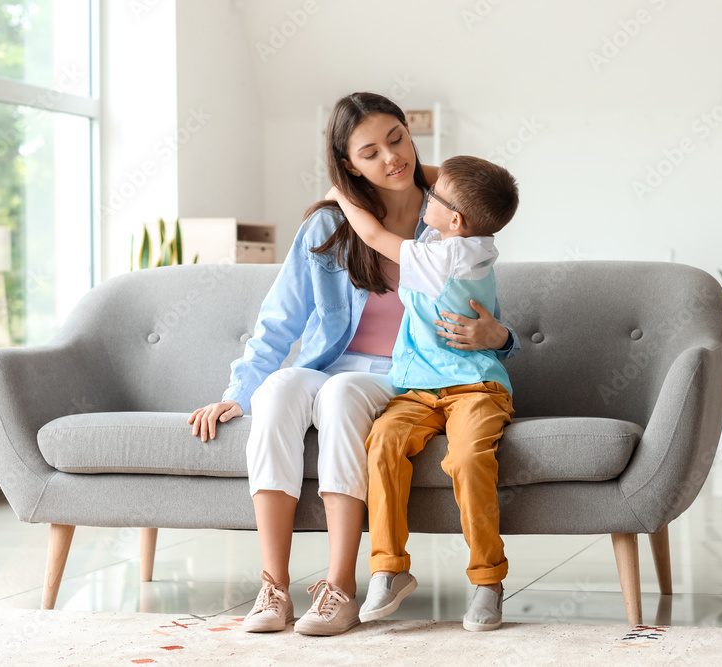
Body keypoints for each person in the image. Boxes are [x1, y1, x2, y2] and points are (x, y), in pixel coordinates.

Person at [186, 92, 521, 637]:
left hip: (404, 376)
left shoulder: (448, 225)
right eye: (369, 152)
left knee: (340, 397)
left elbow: (480, 309)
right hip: (335, 362)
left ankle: (340, 586)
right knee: (277, 390)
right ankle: (273, 585)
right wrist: (238, 393)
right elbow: (280, 320)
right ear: (347, 164)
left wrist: (500, 337)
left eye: (398, 139)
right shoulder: (326, 226)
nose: (392, 158)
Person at [327, 155, 518, 632]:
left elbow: (372, 236)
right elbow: (436, 178)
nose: (424, 194)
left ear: (455, 221)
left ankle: (488, 581)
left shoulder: (450, 255)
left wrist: (340, 193)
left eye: (433, 197)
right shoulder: (451, 231)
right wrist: (392, 159)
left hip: (475, 385)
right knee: (383, 444)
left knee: (469, 459)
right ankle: (389, 569)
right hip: (419, 386)